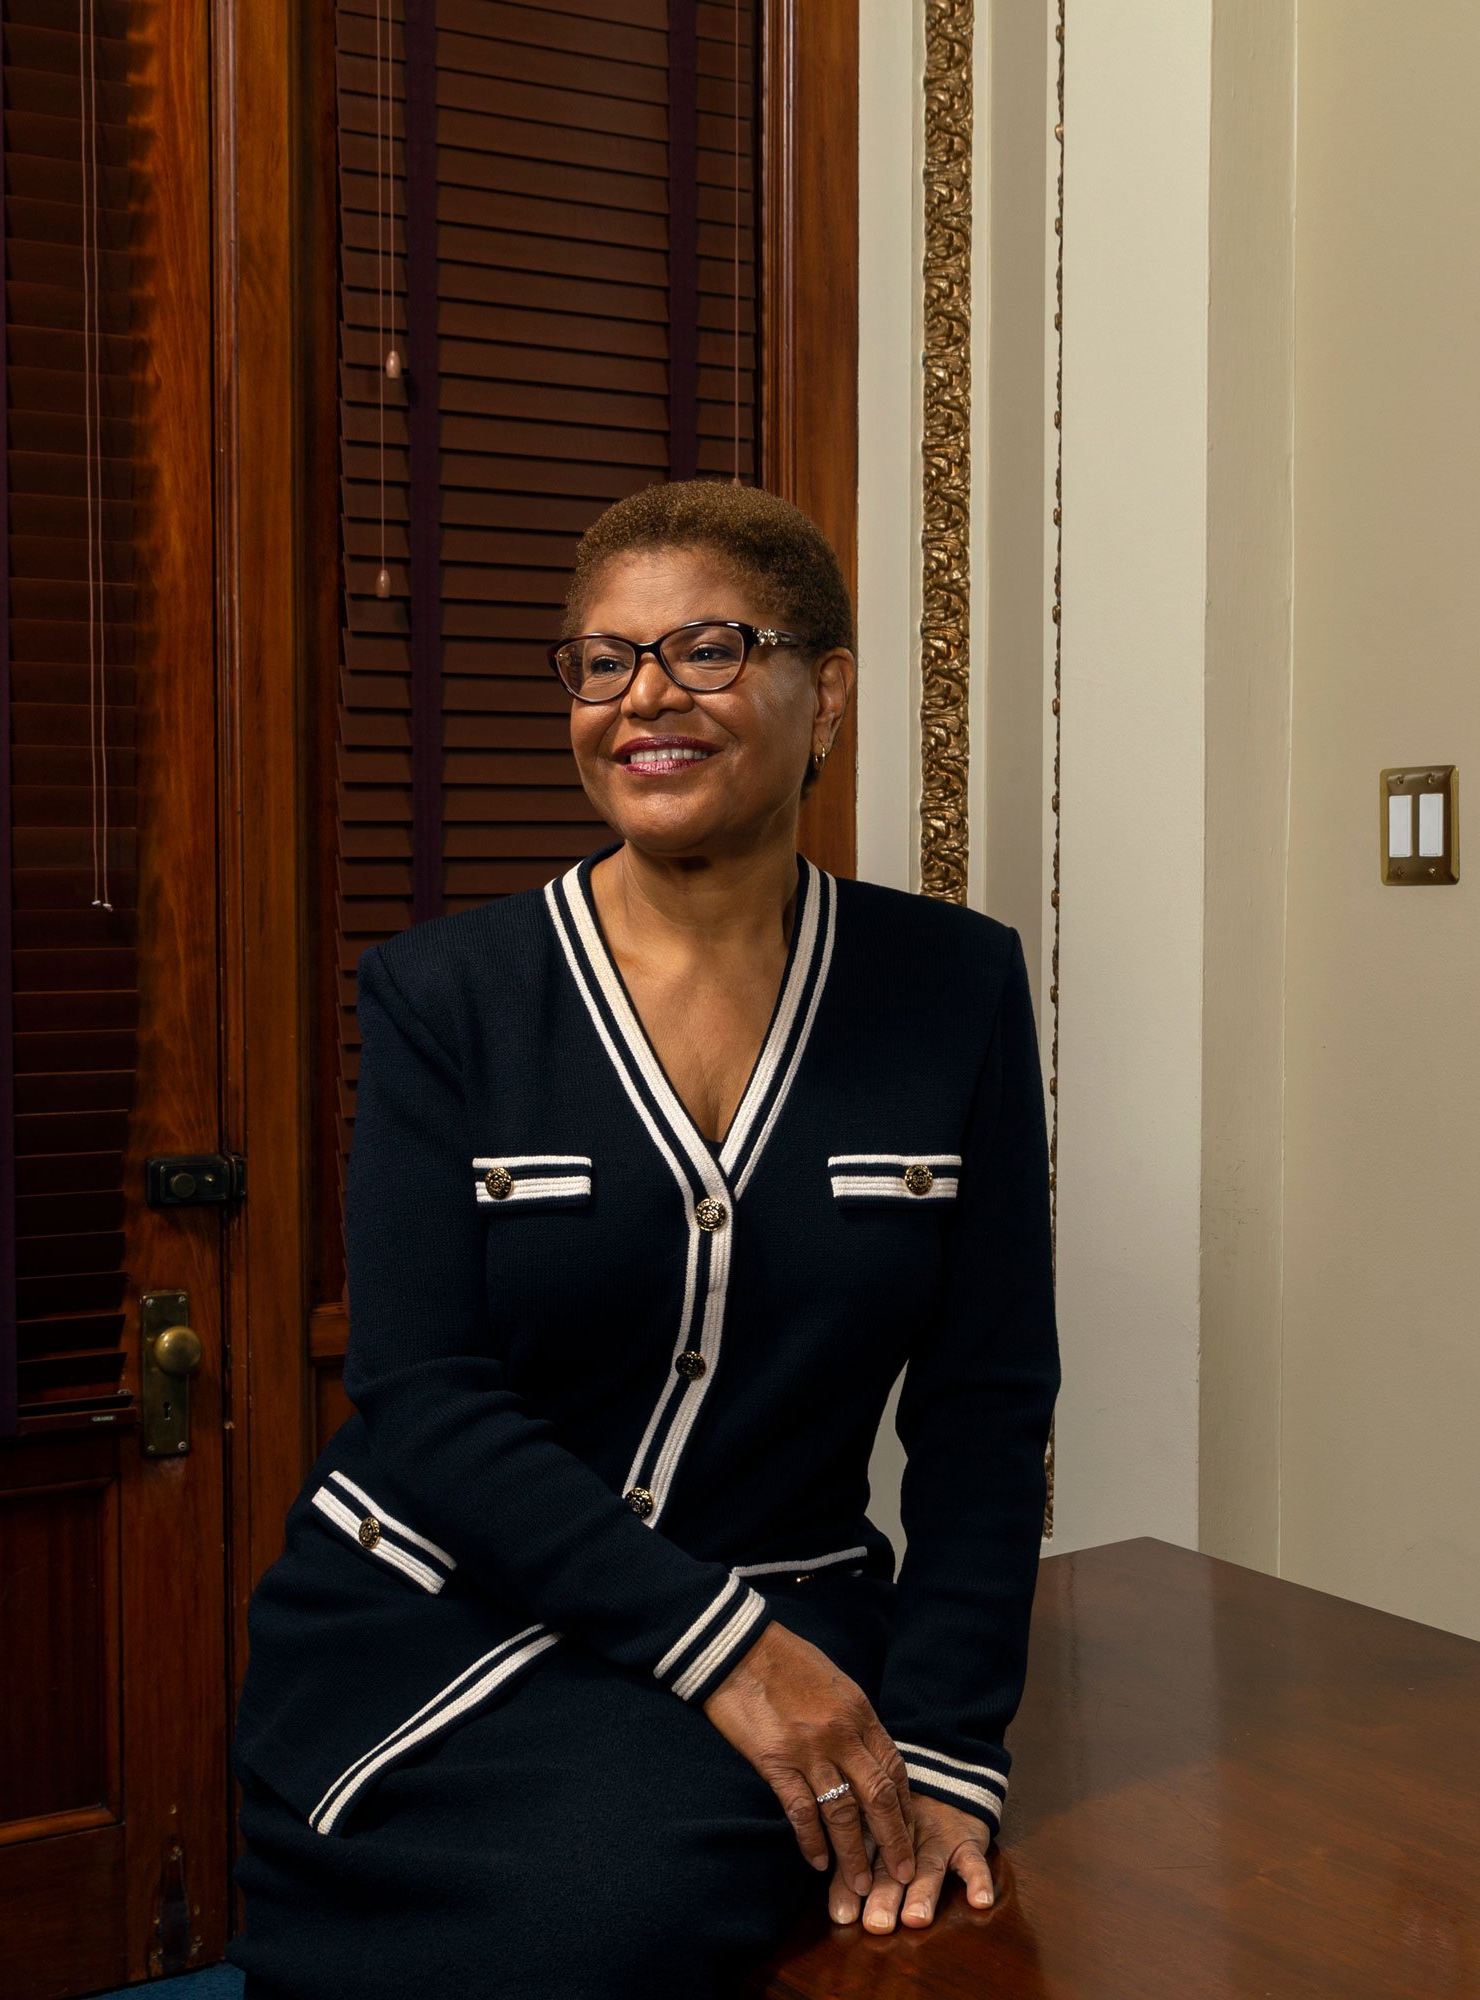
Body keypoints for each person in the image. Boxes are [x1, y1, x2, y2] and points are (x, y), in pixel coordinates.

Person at [231, 481, 1059, 1998]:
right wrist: (731, 1657)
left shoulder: (955, 988)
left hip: (789, 1597)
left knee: (641, 1907)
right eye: (602, 661)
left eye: (708, 648)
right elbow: (423, 1394)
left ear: (831, 692)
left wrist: (948, 1743)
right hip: (425, 1616)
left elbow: (988, 1405)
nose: (644, 701)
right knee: (518, 1926)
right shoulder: (446, 994)